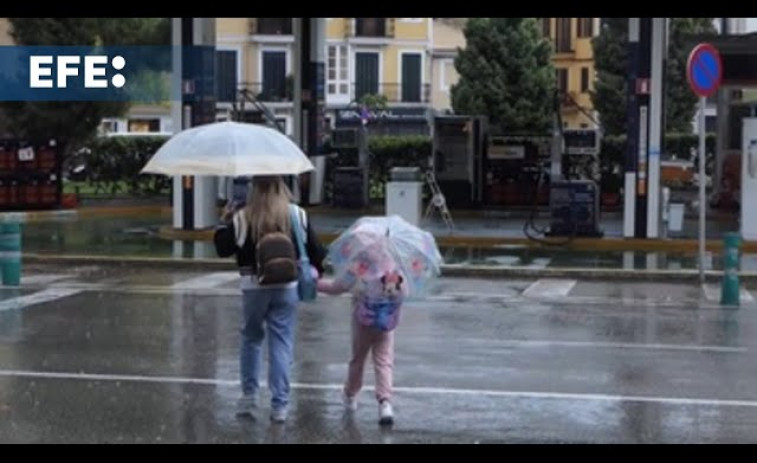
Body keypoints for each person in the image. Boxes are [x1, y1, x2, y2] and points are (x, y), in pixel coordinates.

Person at [214, 175, 326, 423]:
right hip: (287, 286)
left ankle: (249, 397)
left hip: (253, 287)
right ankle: (280, 406)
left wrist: (224, 221)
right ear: (281, 186)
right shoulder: (296, 215)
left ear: (254, 188)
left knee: (251, 338)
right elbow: (317, 253)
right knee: (281, 342)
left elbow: (222, 248)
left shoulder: (244, 216)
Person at [317, 248, 408, 426]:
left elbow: (336, 287)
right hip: (386, 323)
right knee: (383, 361)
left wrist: (315, 283)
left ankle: (350, 395)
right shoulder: (396, 268)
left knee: (358, 360)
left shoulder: (359, 267)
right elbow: (404, 293)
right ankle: (385, 403)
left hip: (363, 322)